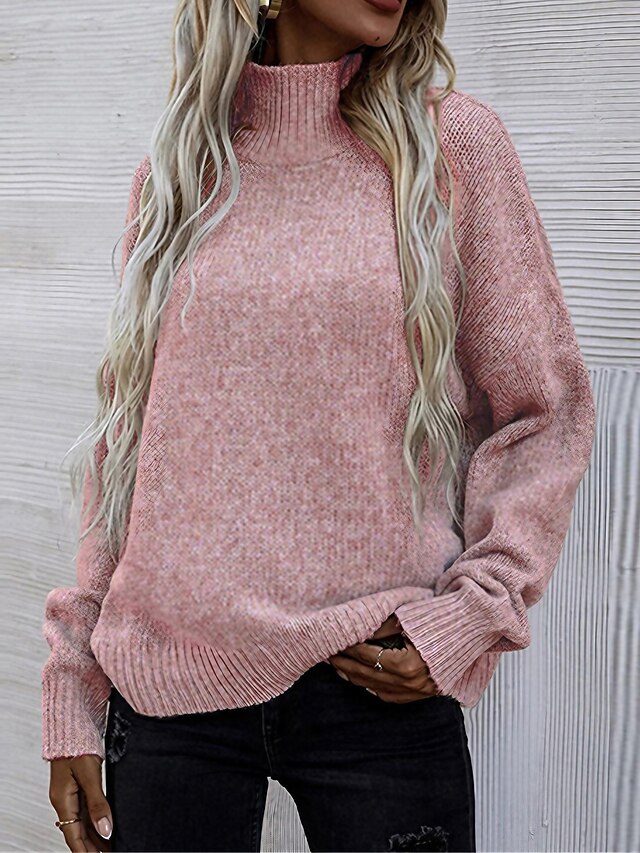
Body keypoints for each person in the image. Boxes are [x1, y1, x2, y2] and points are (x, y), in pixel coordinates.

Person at [41, 0, 597, 851]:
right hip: (168, 691)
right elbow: (127, 449)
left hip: (377, 686)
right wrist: (73, 682)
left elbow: (543, 410)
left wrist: (473, 613)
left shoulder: (452, 147)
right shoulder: (180, 174)